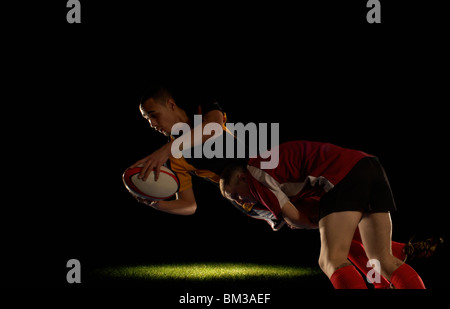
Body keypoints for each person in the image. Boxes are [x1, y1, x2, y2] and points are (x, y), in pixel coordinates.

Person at [219, 140, 426, 289]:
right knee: (382, 261)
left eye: (235, 194)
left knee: (330, 260)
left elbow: (295, 218)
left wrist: (305, 223)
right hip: (370, 166)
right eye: (233, 200)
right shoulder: (276, 168)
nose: (239, 201)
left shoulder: (254, 173)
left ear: (241, 177)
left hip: (343, 176)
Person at [129, 85, 284, 229]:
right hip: (246, 198)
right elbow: (189, 205)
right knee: (299, 217)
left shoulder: (201, 108)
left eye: (153, 115)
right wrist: (156, 203)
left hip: (266, 171)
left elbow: (214, 128)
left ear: (170, 104)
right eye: (147, 120)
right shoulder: (174, 158)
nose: (152, 124)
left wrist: (166, 150)